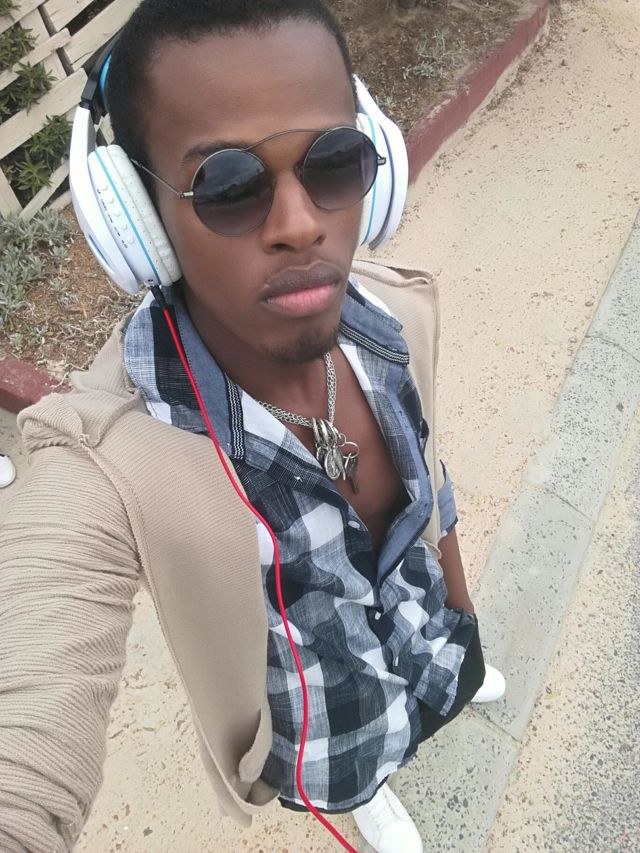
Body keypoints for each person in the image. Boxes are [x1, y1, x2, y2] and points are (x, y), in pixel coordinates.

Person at [0, 2, 504, 851]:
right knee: (361, 767)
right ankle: (369, 789)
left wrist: (462, 620)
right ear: (138, 222)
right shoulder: (114, 459)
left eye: (333, 161)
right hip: (330, 738)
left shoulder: (395, 316)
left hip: (437, 640)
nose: (301, 224)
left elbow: (433, 488)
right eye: (229, 186)